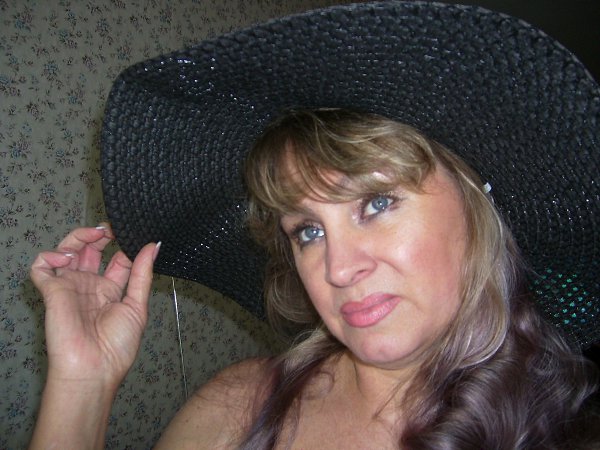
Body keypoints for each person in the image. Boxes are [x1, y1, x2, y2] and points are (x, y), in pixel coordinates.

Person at [29, 2, 599, 449]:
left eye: (376, 204)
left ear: (478, 212)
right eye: (308, 231)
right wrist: (83, 384)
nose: (339, 269)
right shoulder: (240, 406)